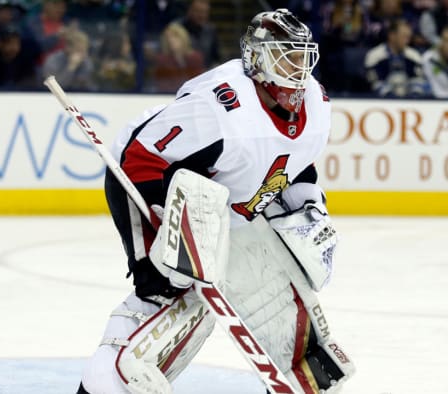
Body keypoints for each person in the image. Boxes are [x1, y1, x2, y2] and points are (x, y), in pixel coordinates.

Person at [77, 8, 354, 394]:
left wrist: (308, 212)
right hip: (149, 182)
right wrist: (165, 238)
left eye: (301, 57)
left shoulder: (318, 105)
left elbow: (297, 169)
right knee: (168, 298)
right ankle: (107, 385)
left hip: (229, 208)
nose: (297, 68)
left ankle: (304, 377)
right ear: (258, 59)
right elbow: (138, 160)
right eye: (285, 56)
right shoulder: (221, 109)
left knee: (280, 302)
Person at [365, 19, 427, 97]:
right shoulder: (375, 56)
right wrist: (392, 98)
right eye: (404, 37)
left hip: (409, 101)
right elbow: (375, 83)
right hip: (382, 101)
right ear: (392, 36)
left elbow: (418, 81)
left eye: (409, 37)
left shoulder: (414, 56)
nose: (407, 41)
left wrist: (412, 98)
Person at [152, 22, 205, 92]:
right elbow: (162, 85)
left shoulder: (196, 58)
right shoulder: (162, 60)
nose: (171, 40)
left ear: (183, 38)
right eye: (168, 38)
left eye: (175, 37)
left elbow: (199, 83)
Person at [175, 0, 220, 68]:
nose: (202, 15)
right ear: (189, 10)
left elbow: (216, 58)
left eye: (205, 12)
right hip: (182, 73)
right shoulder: (176, 28)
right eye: (199, 11)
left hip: (206, 73)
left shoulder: (211, 30)